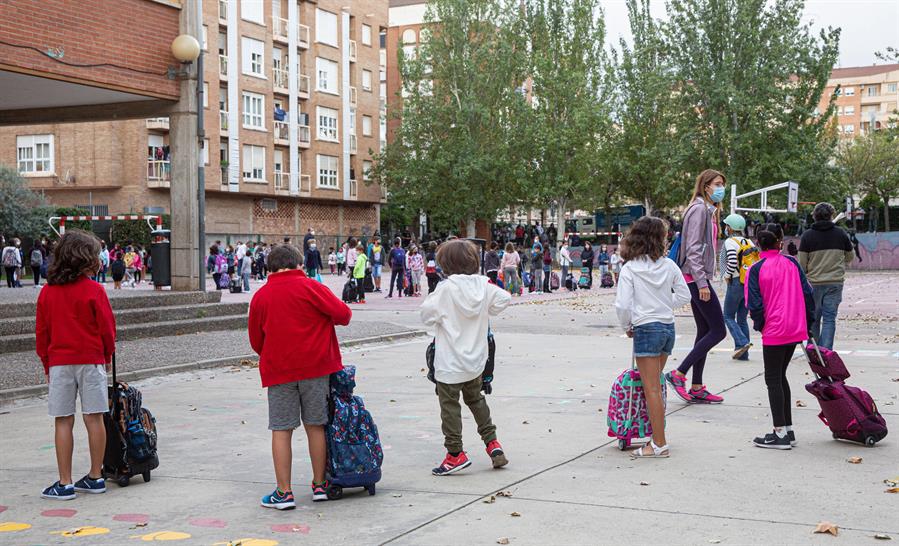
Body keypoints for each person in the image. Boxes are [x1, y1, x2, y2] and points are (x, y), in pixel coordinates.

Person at [248, 244, 352, 507]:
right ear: (299, 264)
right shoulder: (313, 288)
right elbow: (344, 315)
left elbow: (255, 340)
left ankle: (284, 493)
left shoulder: (261, 296)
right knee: (315, 425)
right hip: (316, 368)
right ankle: (319, 485)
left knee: (281, 429)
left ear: (270, 267)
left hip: (279, 370)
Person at [421, 239, 512, 475]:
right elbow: (505, 298)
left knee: (450, 407)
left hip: (450, 363)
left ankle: (455, 454)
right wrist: (486, 310)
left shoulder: (445, 288)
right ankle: (492, 443)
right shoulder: (484, 286)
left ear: (446, 264)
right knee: (476, 400)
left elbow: (427, 316)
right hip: (476, 362)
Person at [35, 230, 115, 499]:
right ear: (87, 259)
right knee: (94, 418)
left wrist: (47, 363)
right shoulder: (95, 290)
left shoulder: (47, 292)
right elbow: (107, 328)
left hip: (60, 362)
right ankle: (95, 476)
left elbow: (42, 333)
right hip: (91, 360)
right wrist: (107, 355)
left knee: (63, 420)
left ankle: (65, 481)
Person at [615, 217, 691, 458]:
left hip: (646, 328)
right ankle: (655, 437)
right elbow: (684, 295)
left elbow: (623, 304)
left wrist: (628, 324)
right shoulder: (669, 265)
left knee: (652, 390)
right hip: (668, 328)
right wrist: (664, 305)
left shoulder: (630, 268)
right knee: (655, 386)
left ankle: (659, 443)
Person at [746, 224, 814, 450]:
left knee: (772, 379)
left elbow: (754, 304)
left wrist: (760, 324)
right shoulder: (792, 263)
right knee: (780, 376)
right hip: (795, 327)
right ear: (780, 241)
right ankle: (788, 429)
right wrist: (809, 322)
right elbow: (808, 294)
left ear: (758, 243)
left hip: (774, 330)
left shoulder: (755, 269)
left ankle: (780, 433)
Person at [665, 169, 728, 404]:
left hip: (697, 277)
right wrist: (702, 282)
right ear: (706, 185)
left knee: (705, 331)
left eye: (723, 184)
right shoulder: (699, 209)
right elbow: (692, 248)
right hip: (694, 278)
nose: (721, 188)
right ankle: (678, 373)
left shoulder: (708, 210)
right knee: (719, 330)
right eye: (717, 183)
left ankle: (697, 386)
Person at [798, 202, 854, 350]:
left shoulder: (807, 236)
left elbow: (802, 264)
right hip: (835, 282)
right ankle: (826, 351)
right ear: (831, 216)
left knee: (813, 319)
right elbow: (850, 256)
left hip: (814, 283)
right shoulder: (841, 233)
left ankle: (813, 349)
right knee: (830, 319)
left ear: (814, 216)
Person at [721, 213, 753, 361]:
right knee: (741, 318)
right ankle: (743, 354)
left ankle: (742, 343)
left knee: (727, 315)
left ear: (730, 228)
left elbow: (732, 260)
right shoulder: (749, 242)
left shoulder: (730, 241)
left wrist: (727, 275)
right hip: (748, 284)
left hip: (735, 282)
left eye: (726, 225)